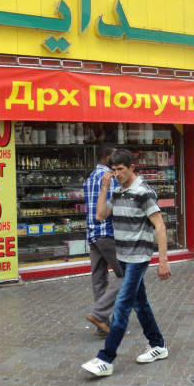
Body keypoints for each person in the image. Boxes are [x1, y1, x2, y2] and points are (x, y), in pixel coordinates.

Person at [82, 148, 172, 377]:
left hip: (138, 258)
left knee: (122, 307)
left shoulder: (144, 192)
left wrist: (163, 261)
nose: (117, 174)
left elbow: (160, 226)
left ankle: (106, 359)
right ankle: (158, 344)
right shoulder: (118, 191)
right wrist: (105, 186)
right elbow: (100, 215)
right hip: (122, 256)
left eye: (121, 169)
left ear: (132, 167)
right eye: (114, 170)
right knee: (140, 304)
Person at [83, 144, 123, 336]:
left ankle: (102, 326)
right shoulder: (109, 178)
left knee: (99, 279)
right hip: (107, 232)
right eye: (114, 157)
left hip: (92, 233)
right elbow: (116, 206)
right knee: (127, 275)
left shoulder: (90, 178)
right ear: (106, 156)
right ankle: (99, 313)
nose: (116, 162)